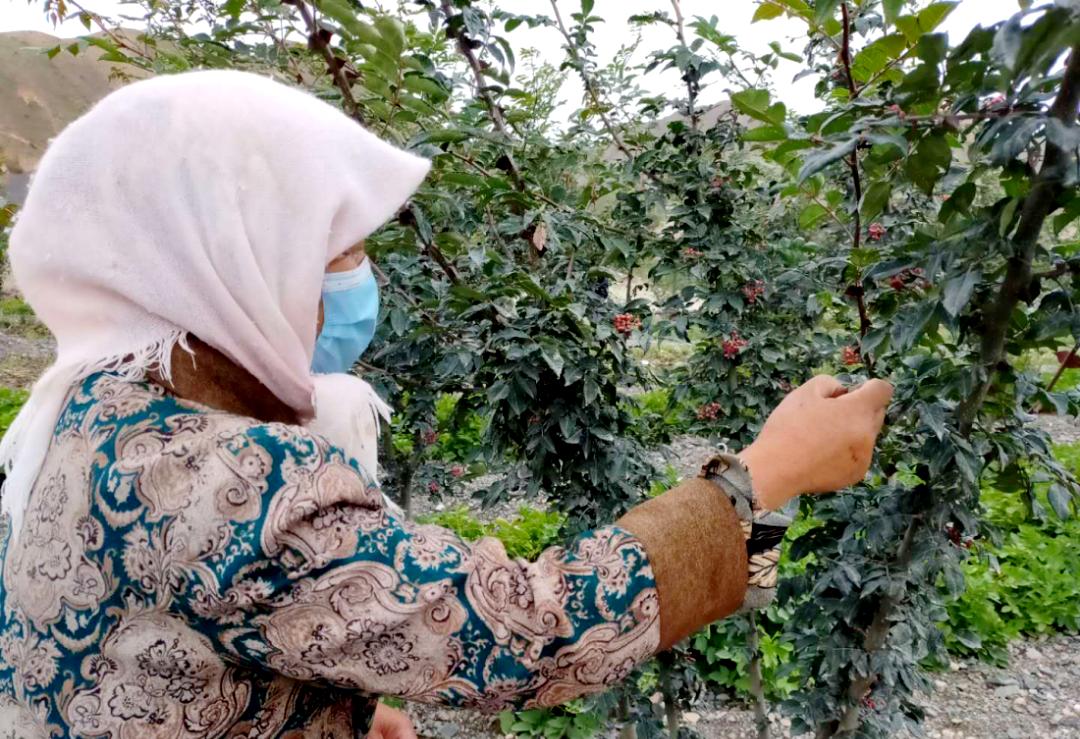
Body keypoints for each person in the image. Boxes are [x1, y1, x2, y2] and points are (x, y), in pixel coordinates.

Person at [0, 71, 892, 738]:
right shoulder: (245, 482)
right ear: (229, 257)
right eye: (333, 254)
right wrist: (761, 479)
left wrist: (340, 698)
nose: (349, 288)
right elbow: (525, 634)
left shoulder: (87, 411)